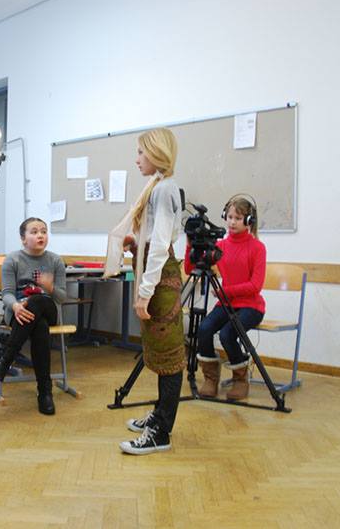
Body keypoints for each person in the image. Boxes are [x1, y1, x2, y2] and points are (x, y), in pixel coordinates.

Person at [109, 127, 185, 455]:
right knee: (158, 353)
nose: (137, 159)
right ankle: (159, 415)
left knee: (169, 357)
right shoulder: (157, 185)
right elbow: (153, 237)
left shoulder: (164, 189)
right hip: (157, 275)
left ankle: (161, 432)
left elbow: (160, 246)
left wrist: (145, 292)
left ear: (157, 152)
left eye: (141, 152)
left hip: (160, 279)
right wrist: (135, 242)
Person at [184, 194, 266, 400]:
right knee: (204, 329)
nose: (232, 222)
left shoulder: (257, 248)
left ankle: (240, 380)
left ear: (249, 221)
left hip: (251, 306)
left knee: (227, 334)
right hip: (226, 303)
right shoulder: (220, 247)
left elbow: (255, 286)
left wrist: (225, 292)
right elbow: (189, 268)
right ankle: (211, 379)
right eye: (229, 217)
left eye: (238, 218)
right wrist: (190, 244)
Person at [0, 217, 67, 415]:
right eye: (34, 232)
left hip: (48, 308)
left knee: (37, 300)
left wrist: (49, 287)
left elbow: (62, 297)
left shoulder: (56, 261)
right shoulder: (12, 260)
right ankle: (45, 392)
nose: (40, 235)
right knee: (39, 326)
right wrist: (15, 306)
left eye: (44, 231)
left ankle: (7, 358)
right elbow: (7, 293)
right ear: (23, 239)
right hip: (19, 312)